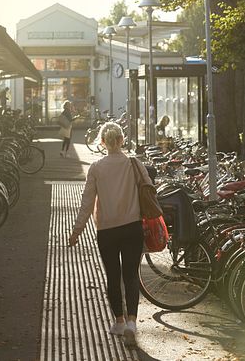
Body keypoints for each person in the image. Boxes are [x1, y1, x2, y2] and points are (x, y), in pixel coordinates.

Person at [68, 122, 151, 346]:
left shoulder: (96, 168)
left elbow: (87, 202)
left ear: (102, 142)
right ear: (122, 140)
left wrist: (77, 230)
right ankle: (133, 322)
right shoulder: (134, 163)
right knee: (131, 275)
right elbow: (149, 188)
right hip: (132, 227)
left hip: (107, 230)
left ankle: (119, 321)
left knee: (113, 277)